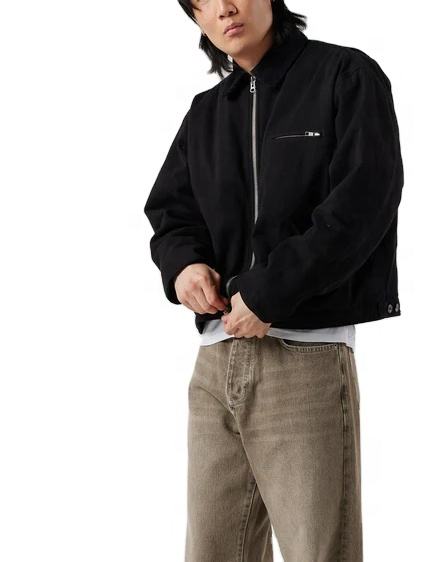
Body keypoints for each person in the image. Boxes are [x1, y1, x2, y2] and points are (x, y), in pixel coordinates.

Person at [143, 0, 404, 560]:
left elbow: (365, 200)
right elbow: (171, 214)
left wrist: (269, 293)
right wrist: (184, 266)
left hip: (303, 357)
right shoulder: (207, 112)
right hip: (215, 364)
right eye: (203, 2)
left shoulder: (344, 75)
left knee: (318, 551)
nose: (224, 9)